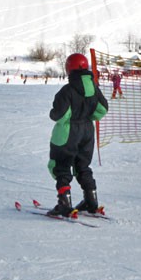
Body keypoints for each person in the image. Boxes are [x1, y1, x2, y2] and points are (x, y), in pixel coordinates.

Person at [47, 53, 109, 217]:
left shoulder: (67, 90)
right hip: (87, 131)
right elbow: (103, 109)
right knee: (83, 165)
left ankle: (64, 203)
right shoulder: (94, 88)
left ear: (69, 68)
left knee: (61, 165)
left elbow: (59, 114)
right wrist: (87, 117)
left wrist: (57, 115)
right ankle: (91, 200)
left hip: (68, 132)